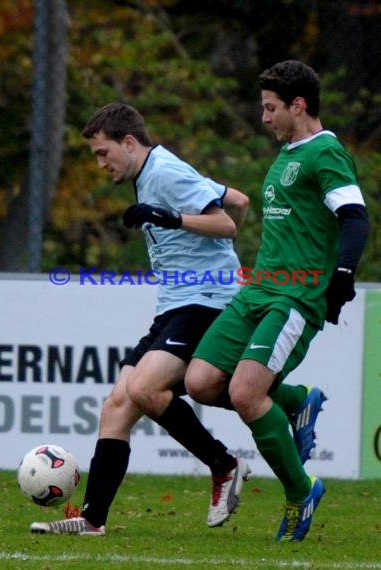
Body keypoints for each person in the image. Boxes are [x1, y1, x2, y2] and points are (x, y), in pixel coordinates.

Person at [30, 102, 251, 535]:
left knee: (145, 387)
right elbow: (239, 200)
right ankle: (92, 521)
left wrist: (169, 217)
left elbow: (228, 223)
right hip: (176, 304)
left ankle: (225, 465)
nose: (100, 163)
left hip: (207, 299)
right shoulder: (155, 172)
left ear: (129, 143)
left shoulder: (163, 173)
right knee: (117, 405)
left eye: (103, 152)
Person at [185, 60, 370, 542]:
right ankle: (295, 401)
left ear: (298, 105)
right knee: (200, 381)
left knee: (246, 394)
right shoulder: (287, 152)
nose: (264, 117)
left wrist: (343, 274)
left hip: (294, 296)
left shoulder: (325, 153)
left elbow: (355, 218)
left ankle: (300, 490)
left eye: (271, 108)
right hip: (257, 291)